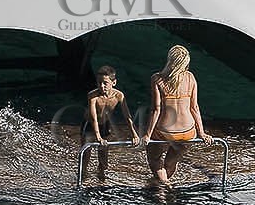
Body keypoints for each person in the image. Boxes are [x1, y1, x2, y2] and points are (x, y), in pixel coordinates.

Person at [144, 45, 207, 186]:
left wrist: (147, 135)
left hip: (166, 131)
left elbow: (156, 109)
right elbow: (195, 108)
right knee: (171, 161)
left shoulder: (157, 79)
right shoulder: (190, 77)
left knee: (154, 158)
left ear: (170, 60)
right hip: (188, 132)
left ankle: (165, 185)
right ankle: (165, 185)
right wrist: (202, 133)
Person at [83, 65, 142, 180]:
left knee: (103, 154)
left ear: (113, 83)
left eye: (105, 83)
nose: (101, 86)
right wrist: (98, 137)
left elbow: (127, 116)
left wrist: (134, 134)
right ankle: (83, 176)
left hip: (105, 124)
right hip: (89, 125)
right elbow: (93, 118)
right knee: (86, 153)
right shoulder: (92, 96)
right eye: (99, 83)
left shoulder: (119, 96)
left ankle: (101, 177)